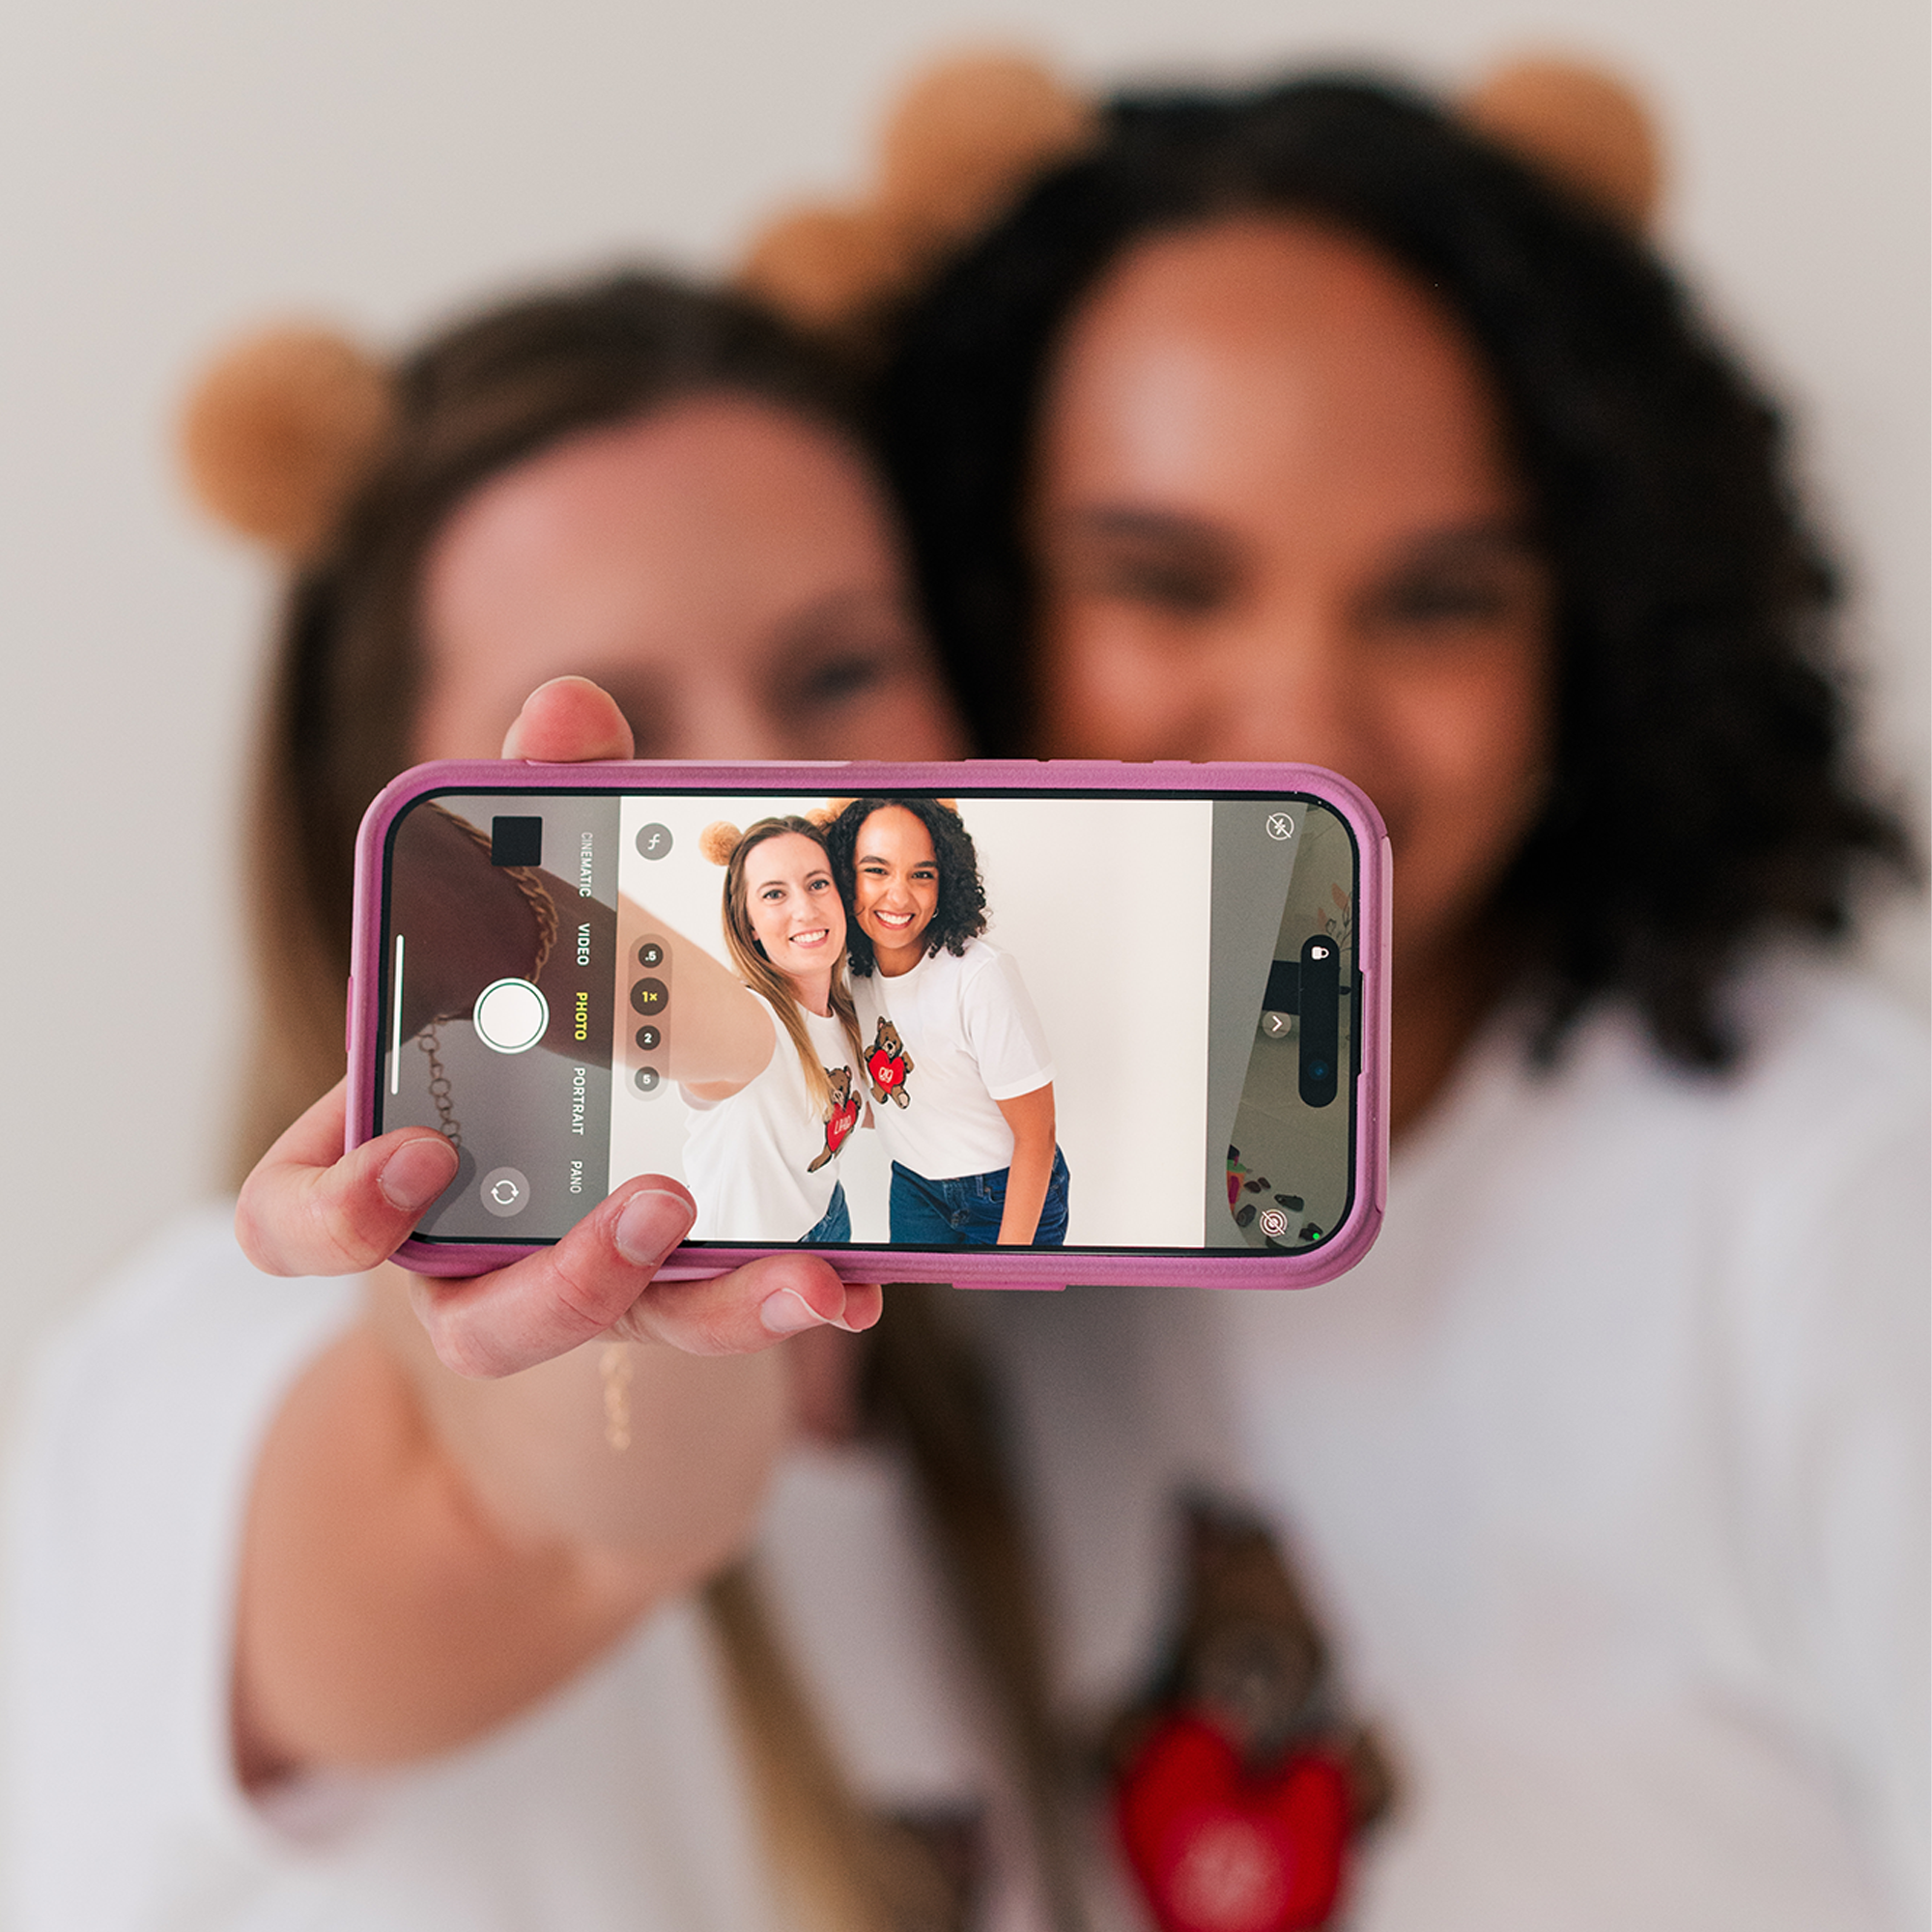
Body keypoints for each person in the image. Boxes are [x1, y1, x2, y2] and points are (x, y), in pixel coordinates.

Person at [870, 65, 1932, 1932]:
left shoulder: (1833, 1201)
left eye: (1437, 603)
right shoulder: (906, 1200)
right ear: (981, 596)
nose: (1301, 729)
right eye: (1167, 583)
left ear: (1593, 634)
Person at [4, 271, 1090, 1932]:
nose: (760, 790)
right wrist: (593, 1313)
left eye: (839, 669)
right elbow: (539, 1521)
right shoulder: (209, 1383)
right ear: (383, 843)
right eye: (623, 738)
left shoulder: (1013, 1387)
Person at [825, 796, 1066, 1246]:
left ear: (945, 885)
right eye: (876, 870)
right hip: (913, 1187)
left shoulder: (979, 976)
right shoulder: (852, 970)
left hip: (1002, 1190)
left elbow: (1038, 1135)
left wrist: (1008, 1264)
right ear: (844, 877)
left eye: (922, 874)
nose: (898, 895)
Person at [682, 815, 867, 1243]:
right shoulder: (751, 1015)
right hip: (748, 1260)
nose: (804, 910)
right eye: (774, 894)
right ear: (749, 926)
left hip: (828, 1217)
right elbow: (705, 1056)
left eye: (818, 884)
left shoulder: (846, 1017)